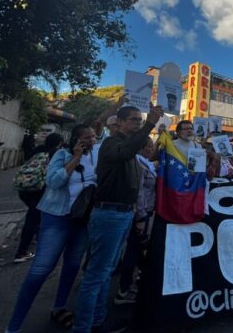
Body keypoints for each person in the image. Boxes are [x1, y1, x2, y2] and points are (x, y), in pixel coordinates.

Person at [73, 105, 162, 333]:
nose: (138, 123)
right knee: (96, 274)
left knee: (106, 271)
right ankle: (82, 327)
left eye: (140, 120)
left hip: (123, 214)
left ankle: (98, 320)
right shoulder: (113, 144)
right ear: (119, 122)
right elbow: (126, 152)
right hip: (109, 214)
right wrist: (151, 124)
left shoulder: (129, 148)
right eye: (134, 120)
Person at [5, 125, 98, 333]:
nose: (92, 140)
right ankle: (13, 326)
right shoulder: (62, 154)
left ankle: (59, 307)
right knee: (41, 269)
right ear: (76, 139)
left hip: (82, 219)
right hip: (57, 217)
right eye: (87, 137)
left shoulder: (95, 156)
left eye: (94, 136)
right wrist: (75, 159)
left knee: (72, 265)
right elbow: (53, 182)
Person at [114, 137, 157, 305]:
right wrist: (141, 216)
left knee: (138, 252)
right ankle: (124, 290)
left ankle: (134, 284)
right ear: (140, 148)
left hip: (144, 212)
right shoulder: (138, 163)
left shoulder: (145, 162)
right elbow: (138, 191)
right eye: (149, 146)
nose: (152, 149)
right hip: (141, 214)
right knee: (133, 251)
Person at [14, 133, 64, 264]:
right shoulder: (56, 154)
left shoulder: (38, 150)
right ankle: (21, 252)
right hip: (39, 190)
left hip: (25, 188)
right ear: (59, 143)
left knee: (35, 216)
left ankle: (34, 238)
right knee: (33, 219)